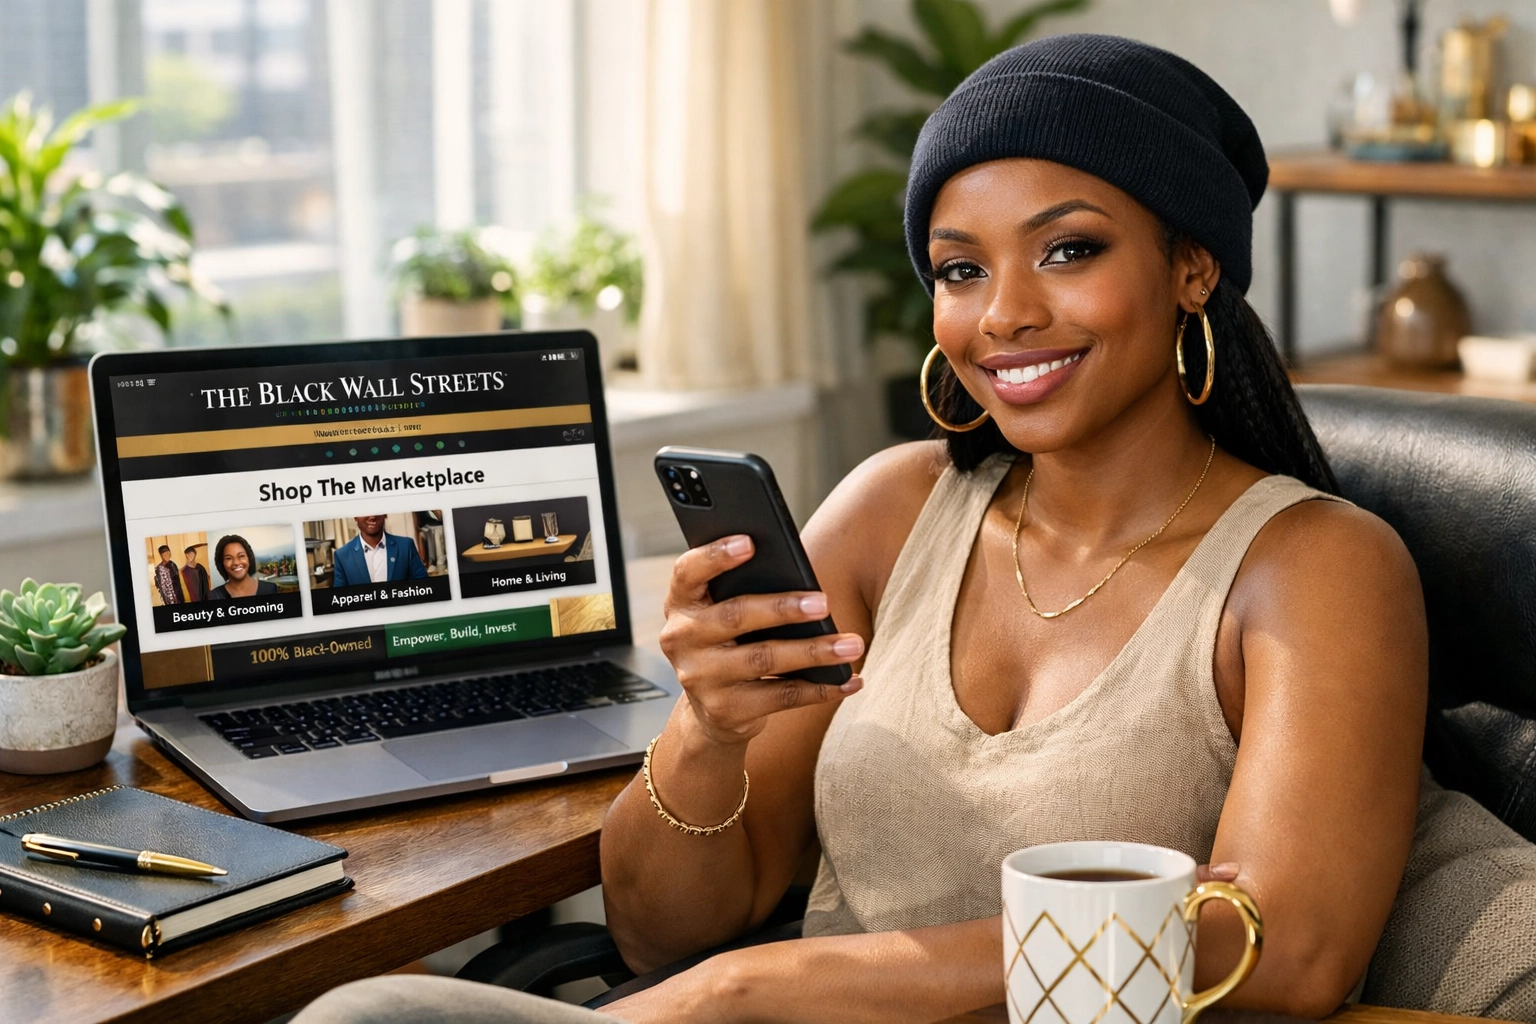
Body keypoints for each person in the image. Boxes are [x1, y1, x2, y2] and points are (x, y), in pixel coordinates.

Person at [295, 34, 1442, 1023]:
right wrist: (707, 732)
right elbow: (657, 940)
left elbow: (1283, 951)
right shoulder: (894, 512)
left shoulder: (1313, 566)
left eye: (1069, 249)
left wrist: (752, 992)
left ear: (1193, 266)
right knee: (365, 1008)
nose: (1004, 314)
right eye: (959, 268)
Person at [330, 514, 428, 588]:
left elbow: (424, 587)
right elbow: (341, 601)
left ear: (385, 514)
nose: (372, 516)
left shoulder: (406, 546)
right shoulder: (342, 556)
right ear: (355, 517)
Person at [208, 535, 279, 600]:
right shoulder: (213, 596)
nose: (236, 562)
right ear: (222, 563)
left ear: (249, 558)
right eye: (229, 558)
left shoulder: (269, 589)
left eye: (241, 556)